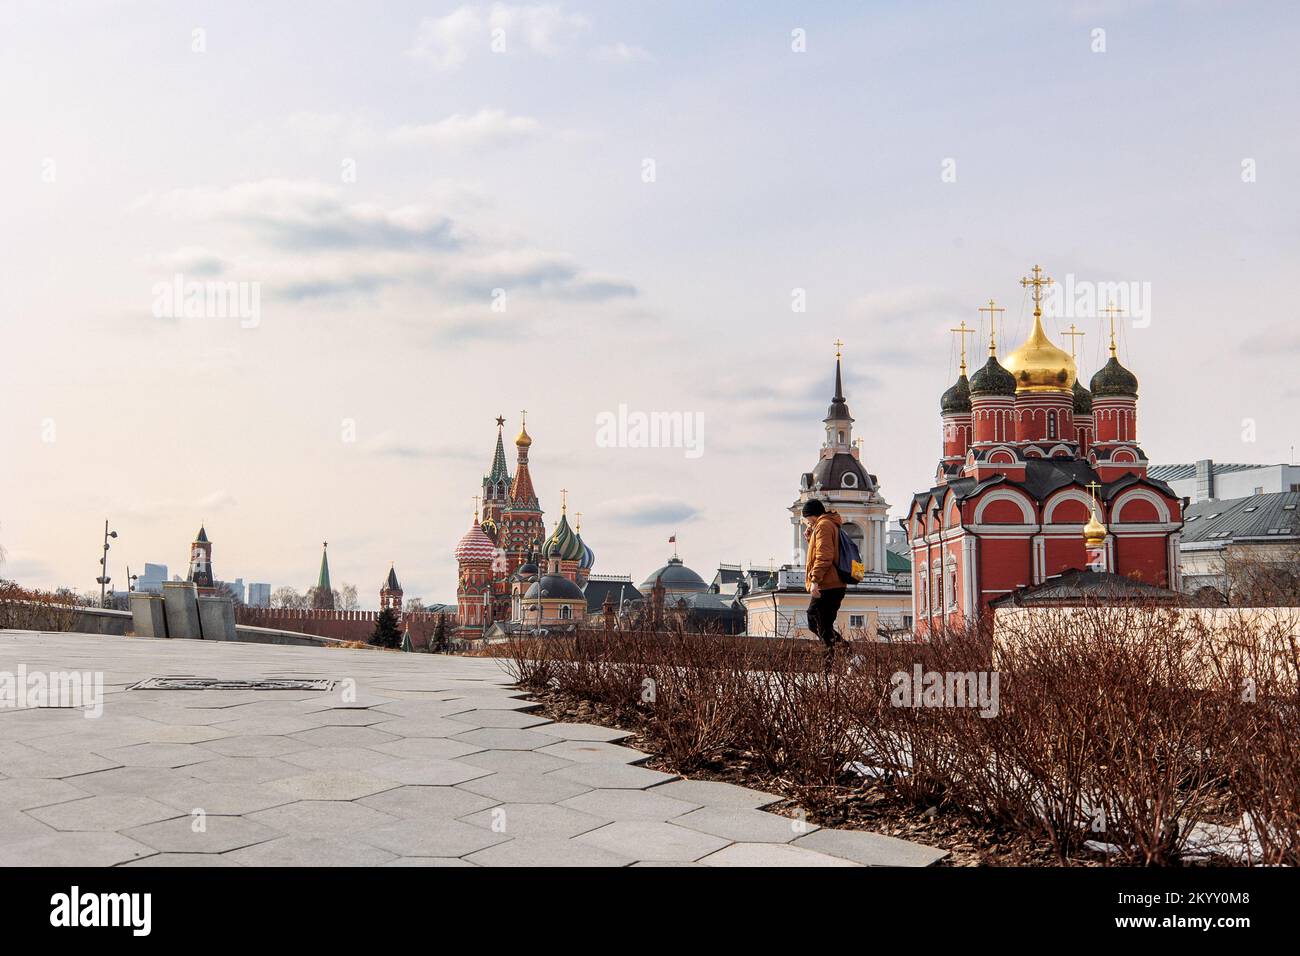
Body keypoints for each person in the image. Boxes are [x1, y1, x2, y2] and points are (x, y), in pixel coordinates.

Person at [802, 499, 849, 656]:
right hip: (832, 584)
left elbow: (824, 556)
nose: (807, 522)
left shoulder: (824, 525)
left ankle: (844, 653)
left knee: (816, 620)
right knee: (822, 625)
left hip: (828, 584)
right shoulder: (826, 525)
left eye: (807, 519)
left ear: (812, 515)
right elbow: (821, 550)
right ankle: (840, 655)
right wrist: (810, 537)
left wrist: (815, 580)